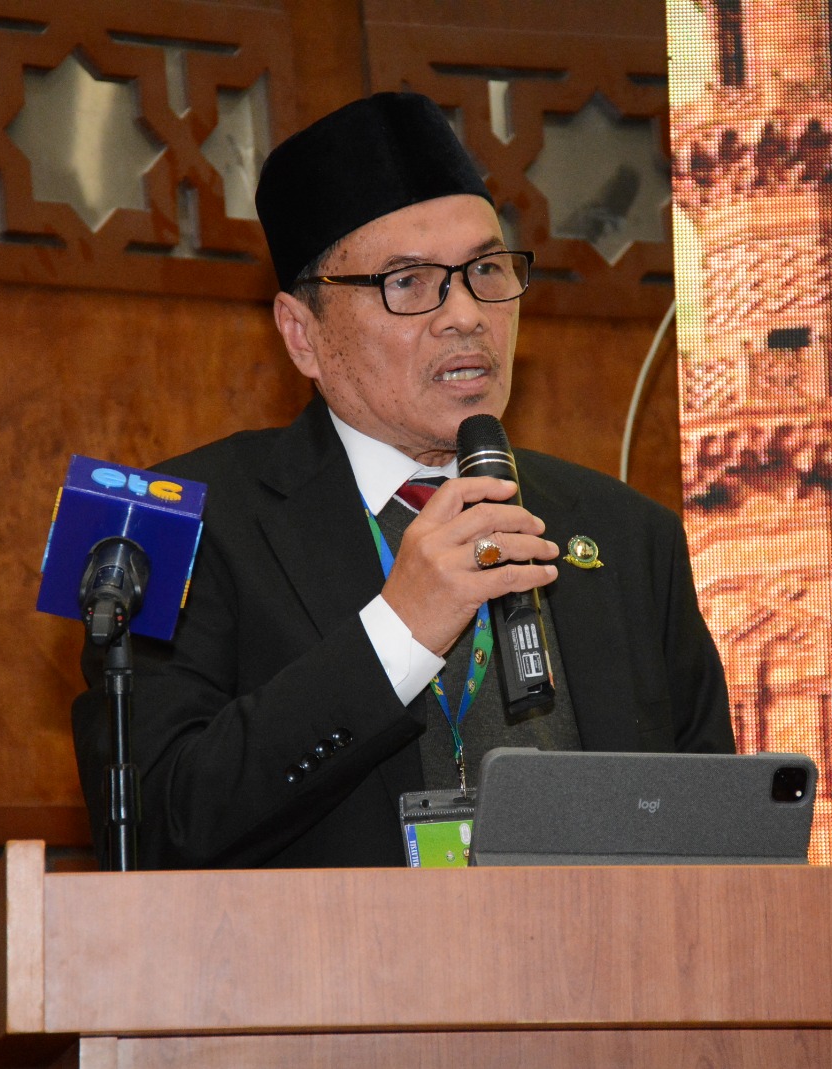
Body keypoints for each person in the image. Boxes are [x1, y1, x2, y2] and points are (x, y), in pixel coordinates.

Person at [71, 92, 733, 869]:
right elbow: (159, 826)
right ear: (302, 334)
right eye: (410, 282)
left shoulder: (629, 535)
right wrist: (399, 631)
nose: (466, 315)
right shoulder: (165, 526)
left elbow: (714, 837)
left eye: (486, 270)